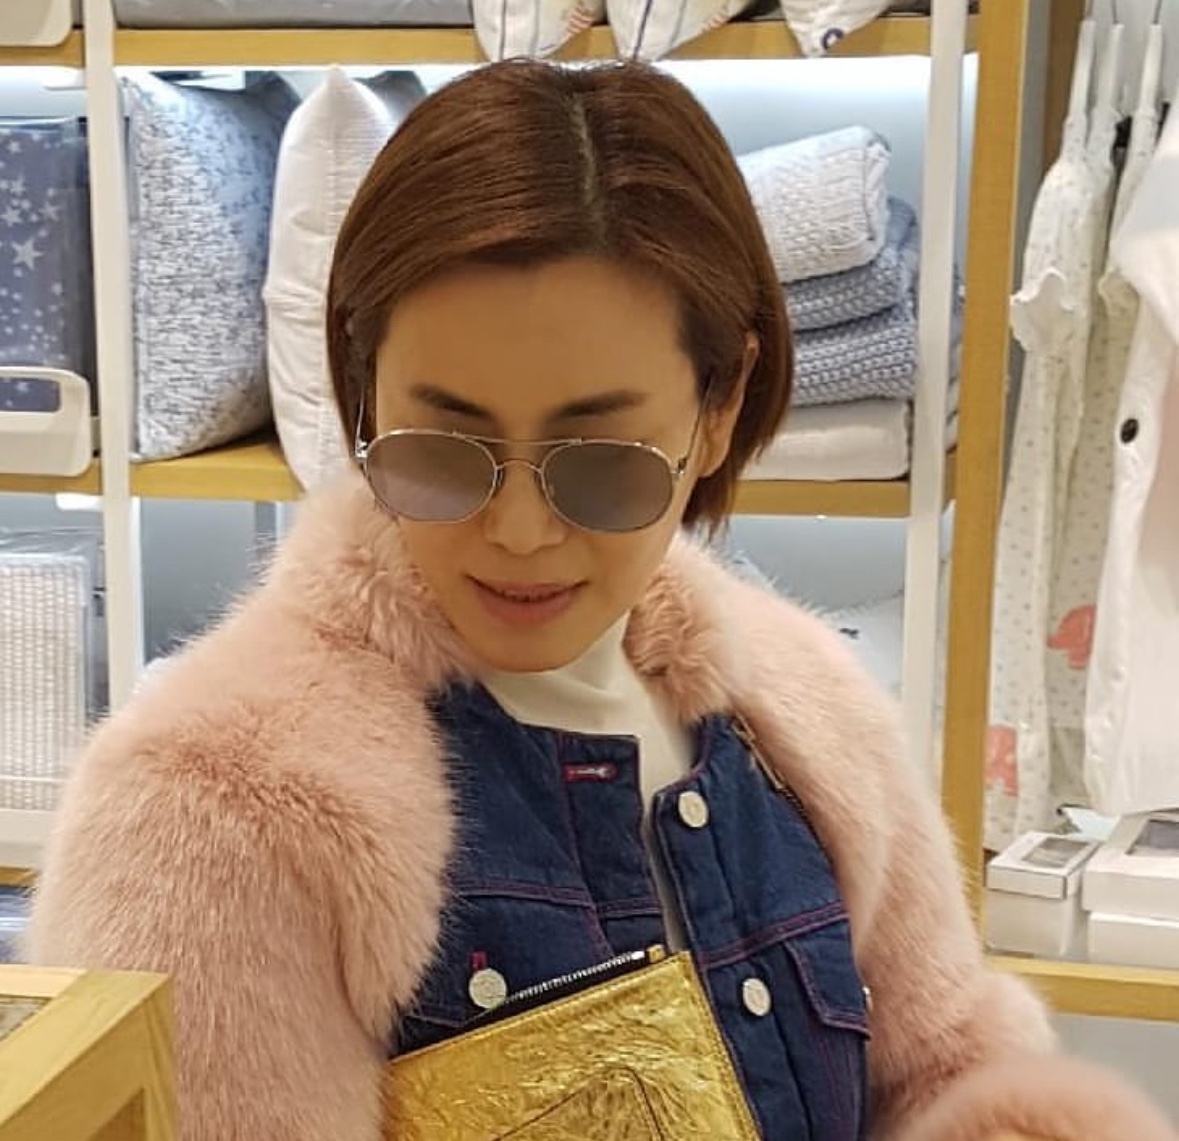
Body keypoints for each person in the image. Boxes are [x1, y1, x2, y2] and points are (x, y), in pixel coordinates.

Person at [26, 59, 1173, 1141]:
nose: (521, 530)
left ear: (717, 412)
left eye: (602, 462)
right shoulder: (209, 808)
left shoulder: (809, 714)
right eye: (444, 450)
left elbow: (951, 1066)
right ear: (363, 396)